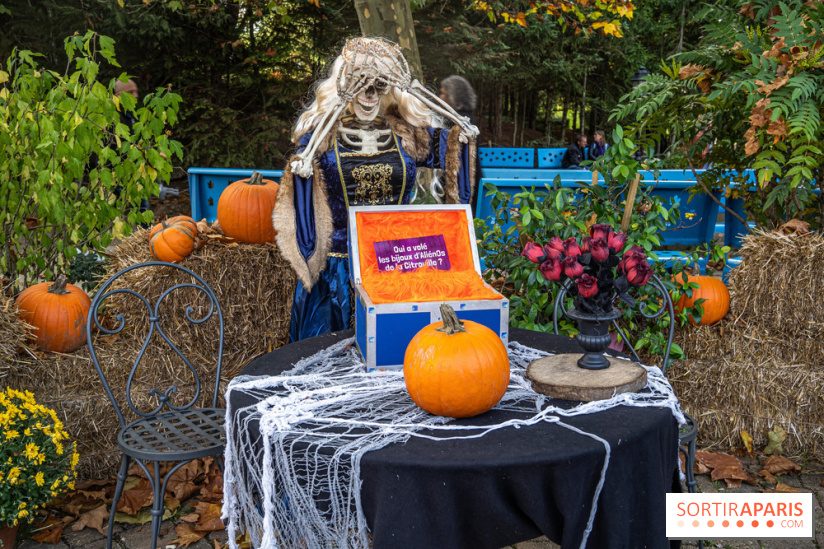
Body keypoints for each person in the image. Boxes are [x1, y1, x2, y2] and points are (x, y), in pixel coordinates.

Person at [273, 37, 479, 342]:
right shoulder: (322, 139)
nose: (369, 94)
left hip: (395, 264)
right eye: (360, 83)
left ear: (391, 88)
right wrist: (302, 175)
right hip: (338, 272)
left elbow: (449, 150)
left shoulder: (407, 134)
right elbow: (302, 202)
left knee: (396, 355)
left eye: (379, 84)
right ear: (343, 84)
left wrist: (462, 136)